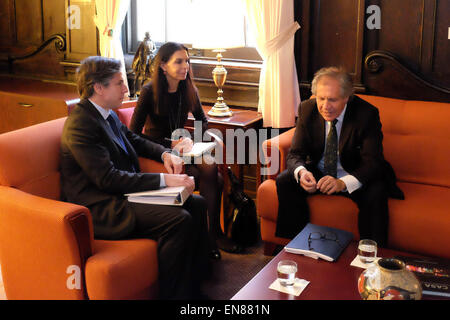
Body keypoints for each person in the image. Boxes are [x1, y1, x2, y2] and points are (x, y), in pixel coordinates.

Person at [60, 56, 210, 299]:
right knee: (178, 219)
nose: (126, 89)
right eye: (119, 83)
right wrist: (165, 181)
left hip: (124, 195)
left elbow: (134, 140)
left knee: (197, 203)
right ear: (99, 88)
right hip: (101, 207)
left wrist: (165, 155)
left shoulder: (106, 113)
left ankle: (197, 286)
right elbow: (108, 179)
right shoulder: (81, 124)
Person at [275, 67, 404, 248]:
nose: (325, 106)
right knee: (286, 180)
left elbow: (373, 162)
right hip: (320, 173)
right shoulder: (307, 109)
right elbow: (295, 154)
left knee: (377, 191)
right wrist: (302, 172)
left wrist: (342, 183)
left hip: (354, 173)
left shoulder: (366, 114)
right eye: (321, 98)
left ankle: (372, 257)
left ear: (346, 98)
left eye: (332, 100)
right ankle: (292, 246)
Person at [130, 42, 237, 259]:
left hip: (183, 150)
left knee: (210, 169)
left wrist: (190, 139)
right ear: (162, 66)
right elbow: (133, 134)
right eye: (178, 61)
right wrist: (169, 144)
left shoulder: (189, 89)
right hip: (157, 152)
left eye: (187, 61)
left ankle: (211, 236)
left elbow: (202, 122)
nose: (185, 66)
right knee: (213, 178)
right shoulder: (149, 92)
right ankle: (211, 237)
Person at [131, 32, 156, 96]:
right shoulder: (143, 43)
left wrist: (151, 52)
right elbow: (140, 53)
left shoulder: (151, 42)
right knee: (140, 74)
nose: (148, 35)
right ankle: (137, 91)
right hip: (144, 59)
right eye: (148, 35)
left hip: (149, 57)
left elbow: (154, 48)